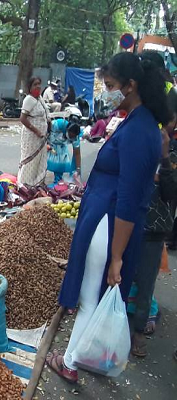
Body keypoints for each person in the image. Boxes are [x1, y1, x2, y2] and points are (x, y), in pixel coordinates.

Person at [46, 52, 170, 383]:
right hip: (107, 220)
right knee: (94, 295)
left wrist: (117, 257)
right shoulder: (139, 122)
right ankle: (85, 354)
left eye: (111, 85)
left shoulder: (140, 130)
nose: (106, 91)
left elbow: (129, 200)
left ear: (131, 86)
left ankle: (71, 362)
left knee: (90, 297)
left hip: (110, 224)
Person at [129, 50, 177, 357]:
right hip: (128, 214)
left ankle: (135, 335)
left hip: (153, 222)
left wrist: (164, 160)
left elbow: (172, 192)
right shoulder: (137, 124)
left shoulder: (167, 144)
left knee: (144, 281)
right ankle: (116, 324)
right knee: (117, 274)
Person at [18, 76, 50, 186]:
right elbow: (22, 118)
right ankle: (25, 185)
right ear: (29, 87)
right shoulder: (29, 100)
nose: (38, 86)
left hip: (41, 138)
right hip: (32, 137)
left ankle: (37, 184)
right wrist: (37, 131)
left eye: (39, 84)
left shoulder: (39, 99)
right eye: (35, 84)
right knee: (30, 161)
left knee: (39, 161)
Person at [47, 118, 82, 185]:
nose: (71, 137)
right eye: (70, 135)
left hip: (61, 147)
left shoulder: (75, 138)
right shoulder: (57, 124)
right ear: (67, 130)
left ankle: (58, 179)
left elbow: (77, 153)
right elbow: (45, 130)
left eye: (73, 137)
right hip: (49, 144)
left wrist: (78, 169)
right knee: (42, 163)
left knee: (61, 161)